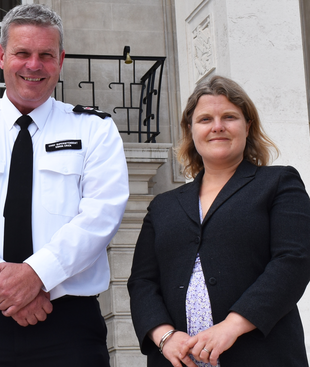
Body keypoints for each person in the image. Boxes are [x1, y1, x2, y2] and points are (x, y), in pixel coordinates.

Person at [0, 4, 128, 366]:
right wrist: (5, 289)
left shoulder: (94, 129)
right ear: (1, 56)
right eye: (22, 53)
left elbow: (101, 213)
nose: (34, 65)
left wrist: (37, 274)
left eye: (46, 55)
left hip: (68, 325)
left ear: (60, 60)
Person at [128, 75, 310, 367]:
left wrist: (232, 326)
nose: (217, 127)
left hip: (261, 355)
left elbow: (293, 260)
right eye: (205, 119)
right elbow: (142, 282)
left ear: (247, 126)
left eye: (229, 117)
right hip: (177, 360)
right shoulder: (163, 206)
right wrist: (164, 336)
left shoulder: (279, 183)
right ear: (190, 130)